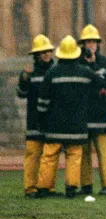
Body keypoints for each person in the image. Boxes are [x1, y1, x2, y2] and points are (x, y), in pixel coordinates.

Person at [35, 35, 105, 198]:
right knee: (74, 156)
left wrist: (42, 119)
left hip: (55, 125)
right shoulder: (85, 72)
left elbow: (43, 100)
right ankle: (71, 188)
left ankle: (43, 188)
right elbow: (101, 83)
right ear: (76, 54)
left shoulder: (52, 73)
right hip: (77, 125)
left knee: (49, 156)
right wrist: (92, 63)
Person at [77, 24, 106, 196]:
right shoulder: (76, 64)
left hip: (102, 116)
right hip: (83, 116)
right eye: (88, 42)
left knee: (105, 152)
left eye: (94, 42)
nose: (91, 45)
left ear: (98, 44)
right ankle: (86, 185)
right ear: (83, 44)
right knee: (83, 154)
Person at [17, 34, 56, 198]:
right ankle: (30, 188)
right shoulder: (29, 74)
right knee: (33, 155)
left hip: (52, 120)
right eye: (43, 52)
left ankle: (47, 187)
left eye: (48, 51)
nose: (46, 55)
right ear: (36, 55)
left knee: (50, 157)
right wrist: (24, 78)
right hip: (34, 121)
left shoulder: (56, 72)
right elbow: (21, 94)